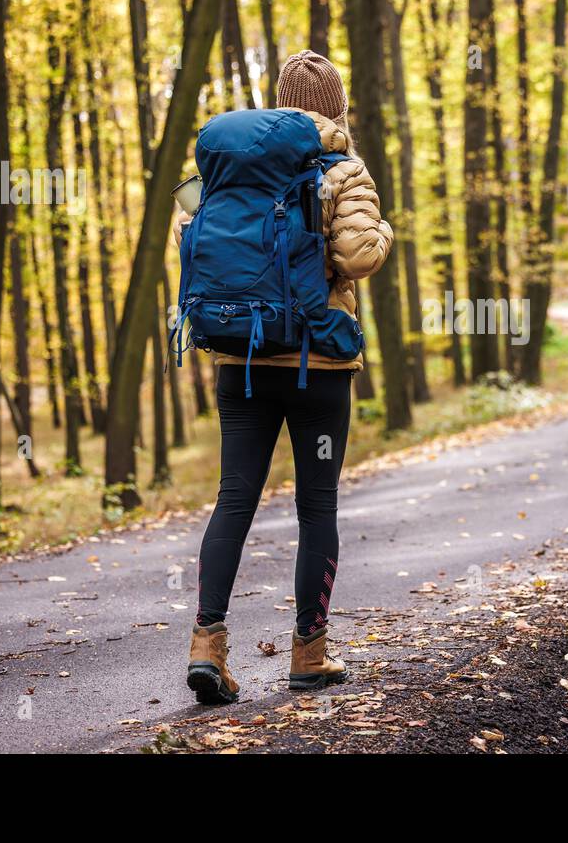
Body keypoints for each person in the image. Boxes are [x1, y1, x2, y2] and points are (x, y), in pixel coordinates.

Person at [176, 51, 393, 702]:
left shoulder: (224, 168)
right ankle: (310, 651)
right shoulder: (340, 167)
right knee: (316, 504)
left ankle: (207, 644)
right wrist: (380, 228)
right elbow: (357, 256)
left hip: (239, 358)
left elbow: (186, 234)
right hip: (316, 365)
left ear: (278, 99)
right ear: (337, 108)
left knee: (234, 496)